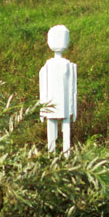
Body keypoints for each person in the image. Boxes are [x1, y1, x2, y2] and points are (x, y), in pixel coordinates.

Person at [39, 24, 77, 153]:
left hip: (62, 105)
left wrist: (74, 109)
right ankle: (52, 154)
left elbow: (73, 89)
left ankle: (64, 155)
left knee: (65, 129)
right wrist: (43, 109)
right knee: (54, 130)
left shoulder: (69, 65)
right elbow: (43, 86)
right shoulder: (47, 66)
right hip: (54, 105)